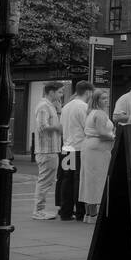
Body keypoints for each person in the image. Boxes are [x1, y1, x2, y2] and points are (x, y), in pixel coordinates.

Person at [57, 80, 92, 222]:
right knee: (79, 180)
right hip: (79, 148)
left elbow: (61, 127)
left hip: (67, 147)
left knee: (67, 179)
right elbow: (88, 128)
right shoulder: (83, 107)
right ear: (88, 92)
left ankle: (65, 211)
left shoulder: (66, 107)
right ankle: (80, 212)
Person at [80, 89, 115, 224]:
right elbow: (102, 132)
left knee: (88, 180)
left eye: (107, 98)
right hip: (98, 148)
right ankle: (94, 215)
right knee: (97, 180)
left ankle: (88, 214)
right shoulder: (100, 113)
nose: (106, 101)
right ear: (97, 100)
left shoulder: (91, 112)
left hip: (89, 146)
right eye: (103, 99)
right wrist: (114, 137)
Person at [31, 82, 63, 220]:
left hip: (51, 149)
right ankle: (38, 211)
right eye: (60, 92)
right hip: (46, 150)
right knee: (44, 181)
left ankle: (40, 209)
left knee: (47, 181)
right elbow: (42, 126)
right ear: (51, 92)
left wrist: (59, 110)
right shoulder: (44, 106)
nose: (61, 95)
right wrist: (57, 128)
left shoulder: (50, 106)